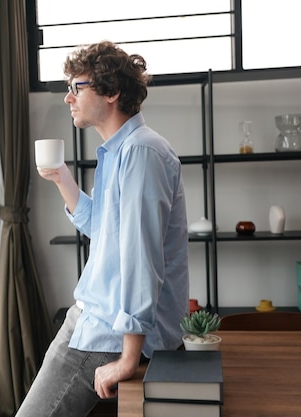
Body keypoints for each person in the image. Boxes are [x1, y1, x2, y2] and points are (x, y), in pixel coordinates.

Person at [17, 41, 189, 417]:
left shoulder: (141, 153)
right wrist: (63, 178)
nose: (68, 98)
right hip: (95, 320)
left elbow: (141, 259)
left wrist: (129, 358)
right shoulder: (119, 152)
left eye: (77, 87)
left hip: (108, 331)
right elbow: (105, 232)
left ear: (111, 92)